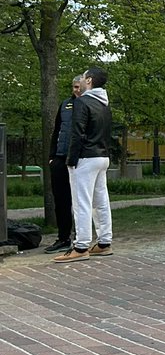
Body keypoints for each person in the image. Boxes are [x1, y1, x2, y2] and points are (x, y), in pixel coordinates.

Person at [53, 67, 114, 263]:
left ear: (89, 80)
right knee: (101, 201)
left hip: (85, 158)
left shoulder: (82, 102)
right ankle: (104, 242)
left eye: (85, 77)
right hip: (102, 156)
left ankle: (81, 246)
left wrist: (71, 160)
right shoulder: (104, 104)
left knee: (82, 203)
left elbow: (77, 133)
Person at [44, 75, 84, 253]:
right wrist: (52, 156)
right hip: (60, 158)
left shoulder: (89, 105)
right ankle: (63, 237)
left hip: (80, 159)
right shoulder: (65, 105)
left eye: (79, 87)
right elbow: (57, 131)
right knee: (61, 199)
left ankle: (81, 238)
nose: (77, 90)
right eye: (74, 87)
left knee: (80, 200)